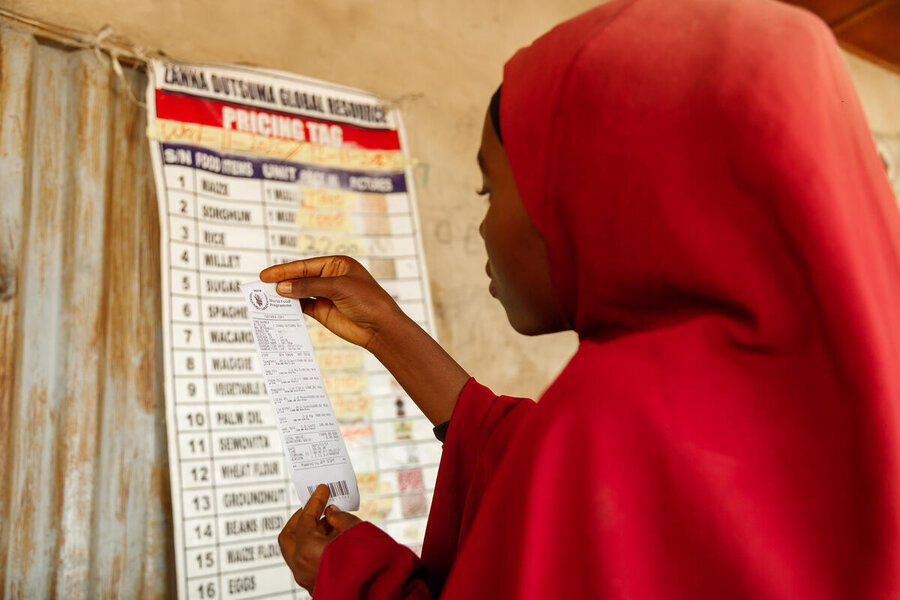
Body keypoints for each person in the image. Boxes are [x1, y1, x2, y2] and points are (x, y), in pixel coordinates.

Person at [262, 0, 900, 597]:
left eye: (491, 191)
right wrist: (386, 332)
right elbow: (529, 457)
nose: (484, 224)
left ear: (587, 195)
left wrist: (360, 578)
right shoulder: (832, 401)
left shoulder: (614, 413)